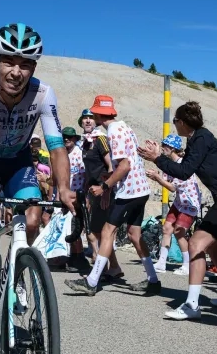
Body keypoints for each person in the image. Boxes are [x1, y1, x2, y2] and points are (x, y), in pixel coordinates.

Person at [0, 23, 75, 354]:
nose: (16, 71)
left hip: (20, 163)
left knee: (34, 217)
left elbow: (56, 148)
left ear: (33, 68)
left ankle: (19, 269)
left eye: (24, 64)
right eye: (9, 62)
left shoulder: (43, 94)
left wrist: (64, 187)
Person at [138, 101, 217, 321]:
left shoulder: (200, 138)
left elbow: (184, 172)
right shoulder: (199, 138)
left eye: (175, 121)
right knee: (215, 249)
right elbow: (182, 166)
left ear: (183, 122)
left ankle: (191, 305)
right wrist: (161, 156)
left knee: (196, 244)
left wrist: (156, 158)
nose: (174, 125)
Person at [65, 95, 156, 296]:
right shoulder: (125, 127)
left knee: (106, 232)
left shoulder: (113, 132)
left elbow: (124, 165)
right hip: (141, 189)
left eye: (93, 113)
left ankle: (91, 281)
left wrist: (104, 187)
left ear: (98, 114)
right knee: (134, 234)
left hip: (128, 191)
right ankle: (153, 279)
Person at [146, 134, 201, 276]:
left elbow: (172, 187)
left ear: (172, 148)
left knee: (179, 232)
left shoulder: (183, 164)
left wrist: (157, 178)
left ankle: (188, 265)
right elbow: (167, 182)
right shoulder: (167, 164)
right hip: (179, 202)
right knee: (166, 228)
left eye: (165, 146)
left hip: (189, 203)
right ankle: (162, 262)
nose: (163, 148)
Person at [75, 108, 110, 271]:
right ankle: (100, 259)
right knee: (91, 225)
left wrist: (106, 190)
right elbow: (90, 170)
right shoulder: (85, 143)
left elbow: (110, 166)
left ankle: (104, 264)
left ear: (96, 121)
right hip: (92, 189)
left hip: (103, 188)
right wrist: (87, 189)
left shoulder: (100, 139)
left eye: (91, 118)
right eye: (85, 118)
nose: (88, 121)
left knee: (99, 227)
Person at [63, 127, 86, 264]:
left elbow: (85, 175)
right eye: (64, 136)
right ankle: (71, 255)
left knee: (75, 226)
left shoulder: (79, 154)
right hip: (65, 195)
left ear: (75, 139)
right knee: (67, 226)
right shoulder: (62, 154)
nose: (66, 139)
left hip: (77, 194)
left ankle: (79, 256)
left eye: (70, 137)